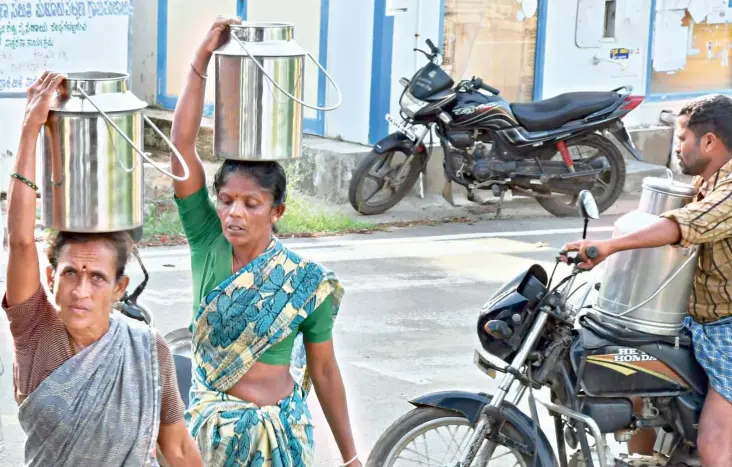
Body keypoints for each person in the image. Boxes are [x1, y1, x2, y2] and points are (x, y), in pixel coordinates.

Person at [169, 16, 362, 467]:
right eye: (227, 200)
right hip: (212, 438)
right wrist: (202, 59)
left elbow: (325, 371)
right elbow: (181, 145)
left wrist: (351, 457)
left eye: (251, 204)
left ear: (276, 211)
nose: (235, 213)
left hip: (281, 440)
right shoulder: (208, 241)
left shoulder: (304, 283)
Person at [5, 71, 203, 466]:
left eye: (97, 278)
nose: (81, 291)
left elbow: (177, 447)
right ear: (50, 278)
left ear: (119, 286)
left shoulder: (149, 349)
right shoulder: (35, 332)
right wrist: (30, 131)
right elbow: (21, 240)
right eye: (70, 274)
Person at [562, 94, 732, 467]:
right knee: (636, 381)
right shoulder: (706, 182)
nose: (677, 148)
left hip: (727, 329)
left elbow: (685, 226)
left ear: (709, 141)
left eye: (682, 139)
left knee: (715, 441)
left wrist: (608, 247)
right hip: (698, 320)